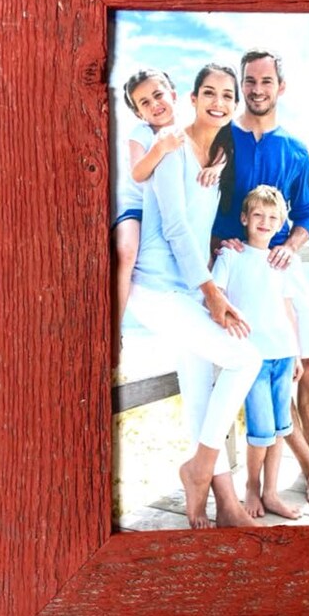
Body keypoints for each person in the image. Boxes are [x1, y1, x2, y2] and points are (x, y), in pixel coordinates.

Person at [123, 63, 261, 529]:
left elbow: (199, 227)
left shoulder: (215, 157)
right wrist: (212, 293)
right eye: (210, 93)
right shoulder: (171, 149)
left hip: (185, 290)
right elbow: (176, 229)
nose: (219, 102)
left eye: (227, 95)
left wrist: (219, 252)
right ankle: (198, 468)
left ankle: (227, 506)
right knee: (246, 359)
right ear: (193, 98)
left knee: (201, 398)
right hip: (158, 290)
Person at [211, 49, 309, 509]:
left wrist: (293, 245)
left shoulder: (296, 150)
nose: (257, 90)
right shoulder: (221, 139)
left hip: (283, 268)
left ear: (280, 87)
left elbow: (306, 214)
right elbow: (202, 199)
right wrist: (218, 244)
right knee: (263, 364)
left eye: (266, 81)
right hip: (238, 268)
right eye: (249, 81)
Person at [211, 185, 304, 521]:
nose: (265, 222)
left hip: (283, 354)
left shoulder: (281, 261)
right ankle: (252, 486)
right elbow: (215, 296)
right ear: (244, 218)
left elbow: (288, 309)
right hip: (252, 358)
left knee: (280, 429)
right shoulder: (231, 256)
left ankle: (271, 493)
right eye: (258, 215)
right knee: (260, 432)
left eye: (273, 217)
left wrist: (296, 354)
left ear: (281, 224)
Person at [112, 69, 224, 342]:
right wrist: (160, 147)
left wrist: (218, 167)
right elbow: (138, 173)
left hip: (168, 209)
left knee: (200, 248)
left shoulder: (188, 128)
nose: (154, 104)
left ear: (173, 95)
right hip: (137, 208)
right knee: (127, 250)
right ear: (139, 113)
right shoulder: (142, 133)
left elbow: (221, 146)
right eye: (145, 103)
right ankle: (114, 329)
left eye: (158, 95)